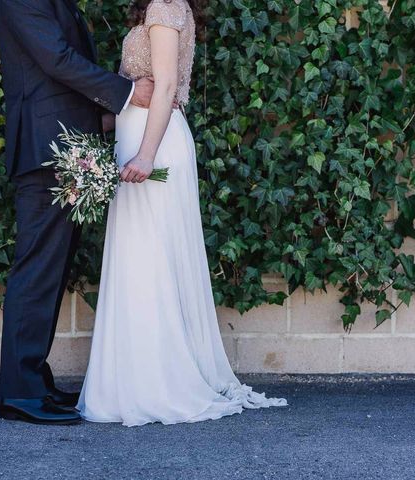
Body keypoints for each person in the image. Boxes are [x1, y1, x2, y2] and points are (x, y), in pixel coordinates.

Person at [77, 0, 286, 426]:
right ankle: (131, 384)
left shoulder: (164, 7)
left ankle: (158, 385)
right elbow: (140, 95)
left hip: (154, 150)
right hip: (135, 142)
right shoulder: (160, 8)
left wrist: (146, 155)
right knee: (137, 263)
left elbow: (167, 87)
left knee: (150, 263)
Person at [0, 0, 157, 425]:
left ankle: (33, 381)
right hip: (46, 147)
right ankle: (20, 393)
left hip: (64, 143)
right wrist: (127, 94)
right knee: (37, 270)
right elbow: (56, 58)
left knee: (53, 268)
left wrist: (97, 117)